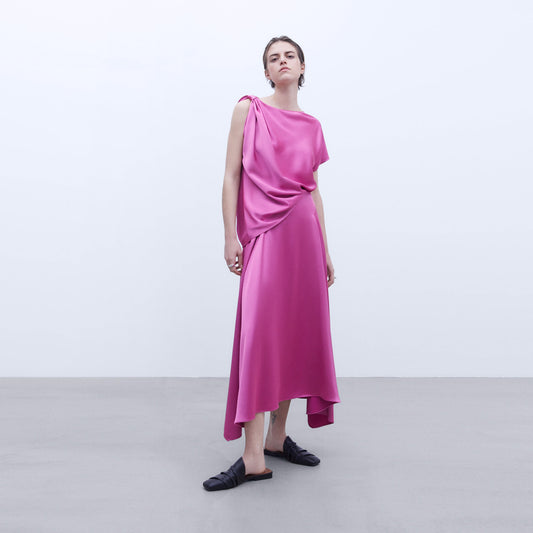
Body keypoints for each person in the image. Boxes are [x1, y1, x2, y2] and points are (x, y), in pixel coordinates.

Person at [203, 35, 340, 491]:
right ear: (266, 72)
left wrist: (325, 249)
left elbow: (313, 191)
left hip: (304, 239)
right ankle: (252, 456)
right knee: (261, 336)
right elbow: (230, 176)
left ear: (302, 68)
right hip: (263, 234)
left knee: (294, 335)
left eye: (290, 56)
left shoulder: (312, 126)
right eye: (273, 58)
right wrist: (230, 235)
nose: (282, 62)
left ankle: (277, 439)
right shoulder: (249, 110)